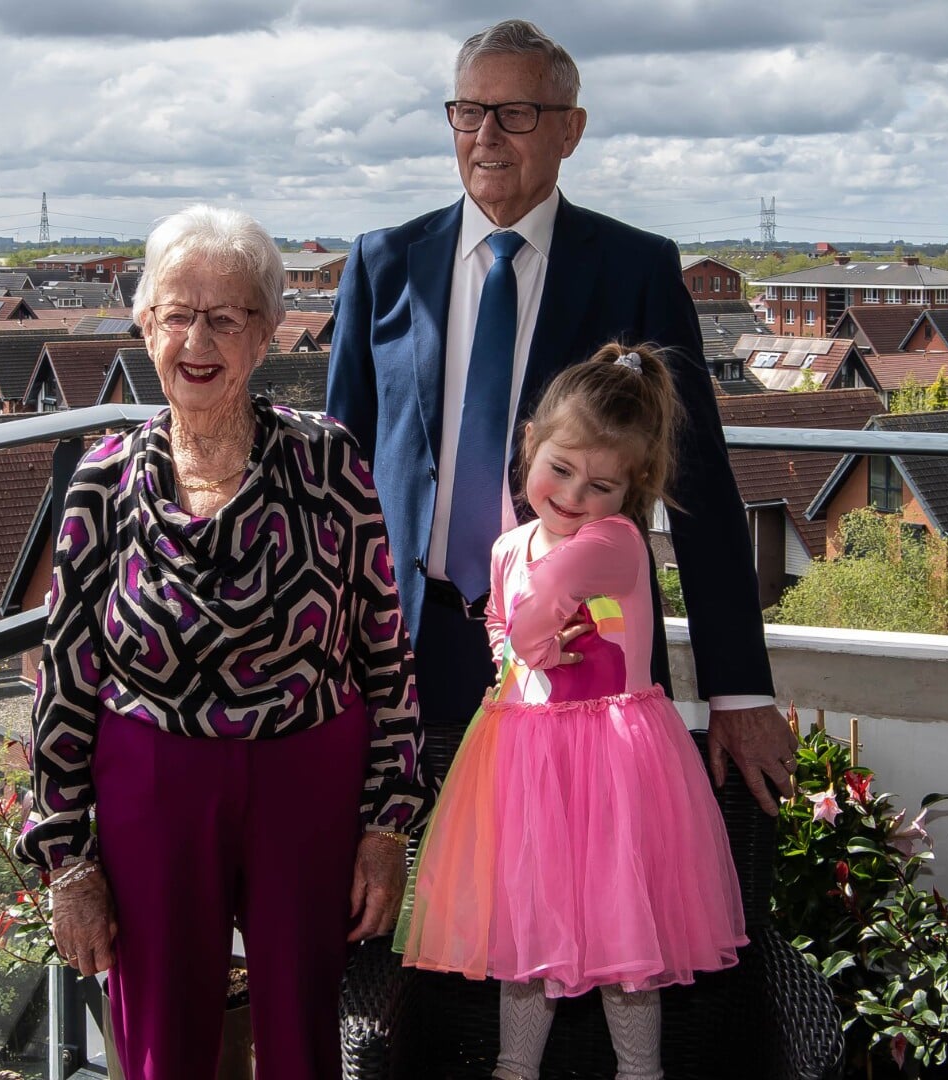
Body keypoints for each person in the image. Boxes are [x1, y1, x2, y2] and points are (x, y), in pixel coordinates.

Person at [325, 19, 796, 820]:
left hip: (585, 655)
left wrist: (738, 688)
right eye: (468, 111)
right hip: (409, 644)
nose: (486, 136)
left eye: (515, 113)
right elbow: (336, 478)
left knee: (567, 892)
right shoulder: (384, 263)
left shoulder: (635, 269)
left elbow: (701, 487)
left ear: (570, 131)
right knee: (415, 905)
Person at [15, 205, 428, 1080]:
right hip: (152, 786)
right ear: (144, 325)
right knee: (161, 1042)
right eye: (177, 313)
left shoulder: (330, 462)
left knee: (305, 1035)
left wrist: (389, 826)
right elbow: (67, 674)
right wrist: (66, 860)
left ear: (267, 331)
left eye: (226, 315)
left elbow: (386, 651)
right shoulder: (101, 479)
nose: (197, 339)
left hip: (307, 777)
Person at [395, 344, 747, 1080]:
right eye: (560, 467)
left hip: (612, 763)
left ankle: (639, 1071)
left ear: (630, 493)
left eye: (601, 484)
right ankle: (514, 1068)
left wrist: (533, 643)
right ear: (530, 444)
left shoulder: (613, 543)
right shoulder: (506, 545)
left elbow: (533, 617)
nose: (573, 493)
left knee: (624, 934)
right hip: (528, 758)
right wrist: (519, 652)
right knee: (528, 932)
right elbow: (503, 624)